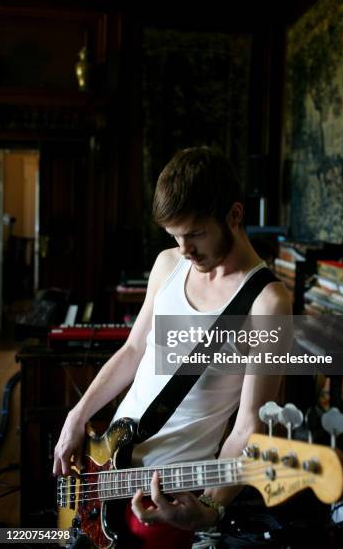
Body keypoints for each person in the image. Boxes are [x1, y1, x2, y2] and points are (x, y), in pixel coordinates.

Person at [53, 146, 291, 547]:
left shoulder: (268, 304)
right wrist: (77, 416)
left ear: (234, 216)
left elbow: (251, 426)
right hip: (104, 466)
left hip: (167, 496)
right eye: (174, 236)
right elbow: (132, 352)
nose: (185, 249)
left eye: (195, 233)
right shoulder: (168, 264)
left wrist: (211, 506)